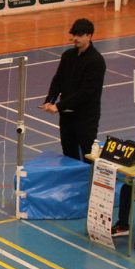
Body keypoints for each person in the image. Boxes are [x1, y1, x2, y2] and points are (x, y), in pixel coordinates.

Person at [40, 18, 106, 161]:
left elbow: (86, 92)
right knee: (69, 154)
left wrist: (58, 106)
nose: (75, 38)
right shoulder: (67, 55)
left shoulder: (96, 61)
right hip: (66, 116)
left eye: (79, 35)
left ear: (89, 36)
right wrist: (50, 100)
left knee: (88, 154)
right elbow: (58, 80)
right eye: (74, 35)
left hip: (86, 117)